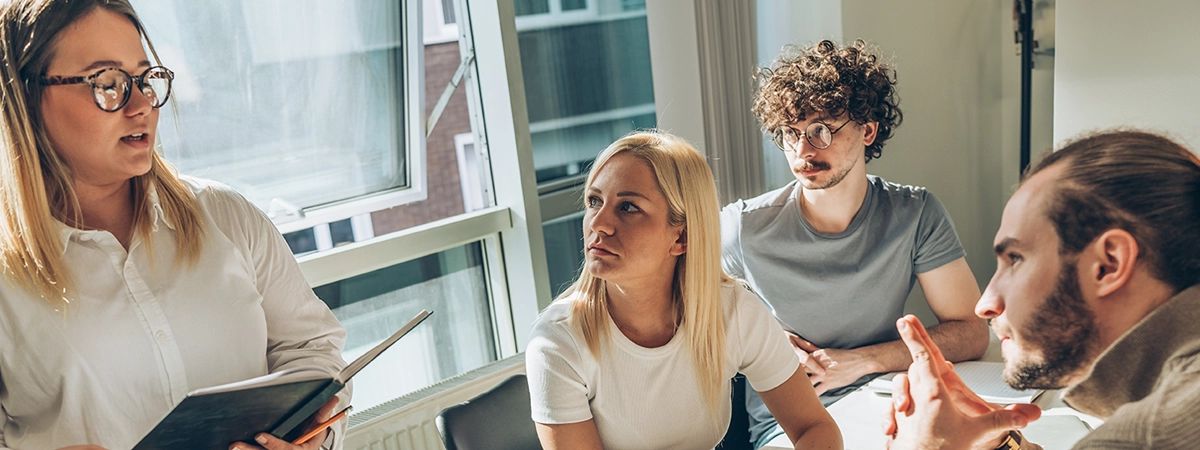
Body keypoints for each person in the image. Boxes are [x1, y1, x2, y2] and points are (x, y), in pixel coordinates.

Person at [0, 1, 348, 449]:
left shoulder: (227, 216)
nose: (143, 104)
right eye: (108, 84)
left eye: (146, 79)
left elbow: (312, 350)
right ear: (24, 96)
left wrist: (313, 440)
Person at [723, 39, 989, 447]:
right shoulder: (743, 227)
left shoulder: (915, 213)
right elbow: (692, 327)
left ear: (867, 130)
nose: (802, 151)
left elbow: (972, 333)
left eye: (821, 131)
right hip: (792, 426)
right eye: (789, 134)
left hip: (889, 403)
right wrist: (766, 348)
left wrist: (857, 362)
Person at [525, 131, 843, 450]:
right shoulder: (558, 342)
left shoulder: (733, 311)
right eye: (594, 201)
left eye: (628, 208)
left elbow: (815, 427)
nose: (599, 223)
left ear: (681, 238)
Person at [886, 130, 1200, 449]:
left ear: (1109, 264)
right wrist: (1003, 446)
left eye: (1016, 259)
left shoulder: (1145, 436)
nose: (985, 304)